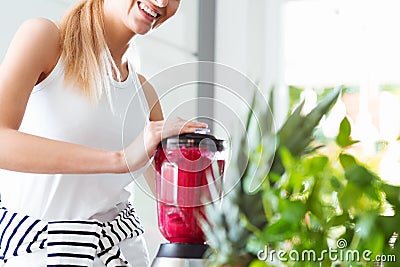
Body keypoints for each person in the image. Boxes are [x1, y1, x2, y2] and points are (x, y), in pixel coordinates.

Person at [0, 0, 207, 266]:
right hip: (41, 256)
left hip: (125, 256)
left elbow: (179, 209)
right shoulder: (45, 40)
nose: (162, 2)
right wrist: (119, 160)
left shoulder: (144, 93)